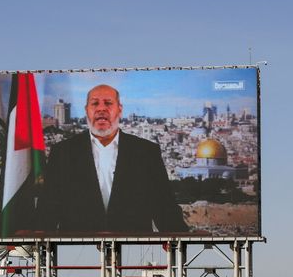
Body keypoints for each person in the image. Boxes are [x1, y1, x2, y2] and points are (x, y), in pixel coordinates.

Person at [36, 84, 189, 234]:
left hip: (134, 253)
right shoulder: (63, 152)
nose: (101, 108)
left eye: (108, 103)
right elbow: (47, 211)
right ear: (86, 110)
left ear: (120, 110)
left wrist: (190, 244)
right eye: (95, 103)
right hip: (76, 254)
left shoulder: (146, 152)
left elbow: (164, 208)